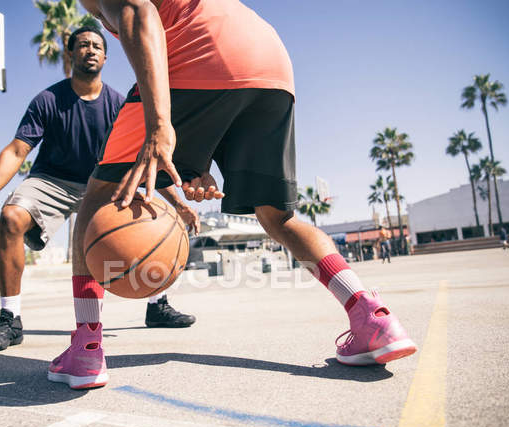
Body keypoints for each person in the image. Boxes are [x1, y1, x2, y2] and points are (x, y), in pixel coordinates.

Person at [48, 0, 417, 389]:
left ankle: (86, 347)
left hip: (201, 56)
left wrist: (160, 124)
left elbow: (139, 10)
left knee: (97, 197)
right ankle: (371, 315)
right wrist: (196, 160)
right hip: (268, 65)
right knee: (279, 218)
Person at [0, 26, 198, 354]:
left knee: (148, 223)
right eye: (83, 45)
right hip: (53, 180)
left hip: (103, 184)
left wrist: (178, 203)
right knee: (11, 216)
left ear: (106, 57)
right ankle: (10, 318)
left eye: (97, 45)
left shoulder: (117, 104)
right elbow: (16, 151)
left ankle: (157, 304)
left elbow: (142, 160)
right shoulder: (49, 100)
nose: (90, 50)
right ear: (71, 54)